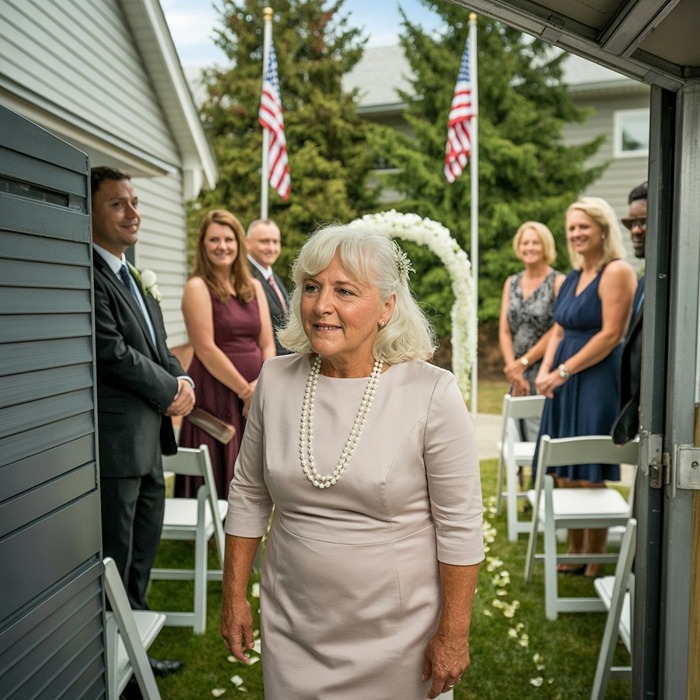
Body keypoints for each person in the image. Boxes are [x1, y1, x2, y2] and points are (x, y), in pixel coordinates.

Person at [221, 225, 484, 700]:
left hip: (399, 635)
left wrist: (453, 633)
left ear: (387, 307)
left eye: (344, 291)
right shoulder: (275, 380)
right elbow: (248, 495)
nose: (322, 305)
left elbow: (460, 524)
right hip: (292, 624)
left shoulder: (431, 393)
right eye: (312, 287)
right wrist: (233, 594)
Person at [91, 166, 194, 676]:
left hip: (150, 441)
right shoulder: (89, 275)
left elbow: (158, 345)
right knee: (116, 555)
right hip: (117, 445)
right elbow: (111, 352)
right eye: (117, 204)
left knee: (140, 557)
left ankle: (135, 658)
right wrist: (169, 389)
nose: (132, 213)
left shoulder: (133, 275)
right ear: (90, 212)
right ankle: (112, 665)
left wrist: (183, 379)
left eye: (134, 202)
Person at [535, 196, 637, 577]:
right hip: (562, 376)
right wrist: (546, 370)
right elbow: (559, 328)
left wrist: (562, 371)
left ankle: (595, 557)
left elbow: (611, 335)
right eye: (572, 228)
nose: (576, 234)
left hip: (595, 378)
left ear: (603, 230)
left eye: (583, 227)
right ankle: (574, 547)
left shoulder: (617, 271)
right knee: (565, 467)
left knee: (590, 467)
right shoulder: (572, 276)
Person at [178, 209, 276, 499]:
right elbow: (205, 348)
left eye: (229, 239)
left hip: (255, 390)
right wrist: (245, 391)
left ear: (239, 244)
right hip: (217, 392)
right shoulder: (197, 287)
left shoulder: (254, 287)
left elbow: (267, 343)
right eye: (214, 240)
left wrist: (261, 384)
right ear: (203, 245)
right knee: (220, 465)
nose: (222, 246)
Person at [499, 221, 565, 440]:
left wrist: (524, 363)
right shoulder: (511, 282)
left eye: (535, 242)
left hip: (545, 369)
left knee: (541, 436)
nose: (529, 247)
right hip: (516, 373)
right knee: (515, 437)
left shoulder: (558, 282)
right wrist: (513, 369)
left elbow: (558, 329)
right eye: (525, 242)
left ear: (546, 246)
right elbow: (505, 330)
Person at [612, 182, 648, 444]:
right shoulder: (645, 282)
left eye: (643, 221)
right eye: (630, 223)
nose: (635, 230)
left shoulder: (677, 283)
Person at [246, 218, 290, 355]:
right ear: (247, 243)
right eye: (264, 241)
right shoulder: (244, 277)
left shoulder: (273, 277)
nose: (271, 248)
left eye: (275, 242)